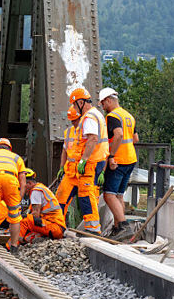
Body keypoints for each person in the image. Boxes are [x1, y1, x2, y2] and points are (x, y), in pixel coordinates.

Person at [65, 88, 109, 234]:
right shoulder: (98, 114)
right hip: (98, 160)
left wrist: (83, 160)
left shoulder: (89, 117)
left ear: (80, 102)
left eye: (75, 104)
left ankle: (93, 228)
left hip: (91, 161)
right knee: (91, 194)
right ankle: (93, 227)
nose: (75, 108)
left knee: (86, 194)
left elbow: (92, 139)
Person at [99, 87, 138, 238]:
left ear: (109, 100)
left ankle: (123, 225)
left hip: (119, 159)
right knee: (119, 195)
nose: (103, 107)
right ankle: (117, 228)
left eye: (103, 104)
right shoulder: (129, 116)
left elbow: (119, 135)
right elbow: (135, 139)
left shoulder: (113, 116)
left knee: (109, 194)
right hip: (131, 159)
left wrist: (111, 155)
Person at [18, 169, 66, 243]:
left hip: (54, 228)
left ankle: (12, 246)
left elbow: (35, 215)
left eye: (21, 186)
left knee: (24, 220)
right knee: (28, 236)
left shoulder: (35, 191)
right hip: (54, 227)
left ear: (29, 183)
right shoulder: (40, 188)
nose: (21, 188)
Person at [55, 105, 81, 219]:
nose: (73, 123)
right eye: (72, 121)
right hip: (70, 173)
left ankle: (90, 228)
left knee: (88, 203)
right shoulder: (68, 132)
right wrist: (62, 167)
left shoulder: (88, 131)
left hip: (83, 173)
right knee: (60, 199)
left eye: (75, 120)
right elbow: (64, 151)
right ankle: (59, 224)